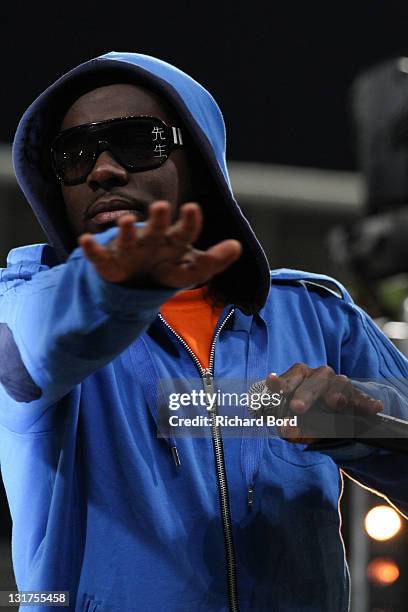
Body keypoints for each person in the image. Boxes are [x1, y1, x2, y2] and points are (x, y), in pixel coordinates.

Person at [1, 51, 408, 612]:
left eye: (137, 142)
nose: (102, 170)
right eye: (73, 155)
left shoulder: (315, 316)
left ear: (200, 161)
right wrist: (106, 289)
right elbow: (28, 351)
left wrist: (365, 416)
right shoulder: (24, 306)